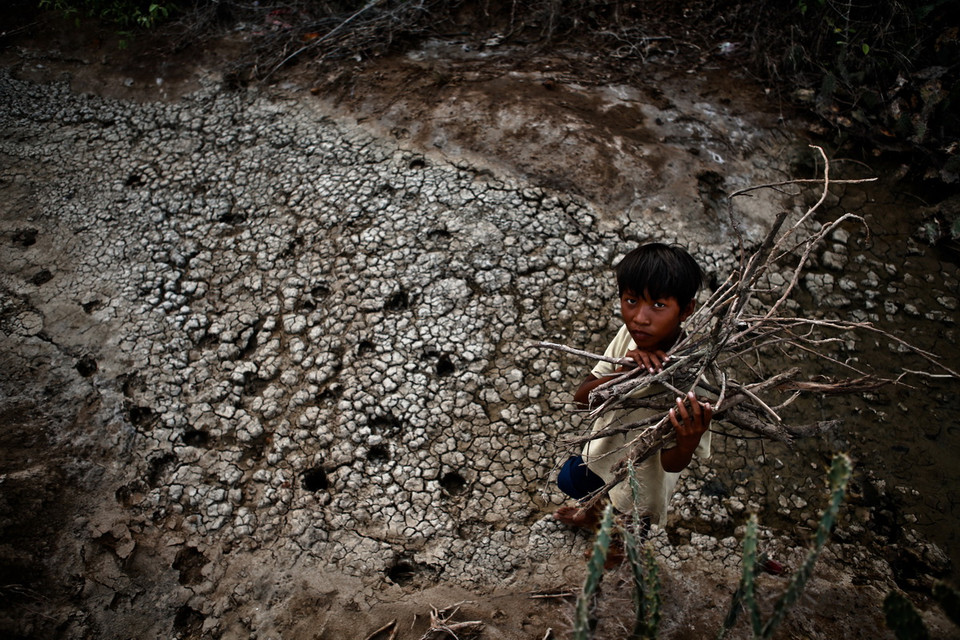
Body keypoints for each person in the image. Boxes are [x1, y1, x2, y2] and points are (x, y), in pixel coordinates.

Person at [555, 243, 713, 543]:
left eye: (658, 305)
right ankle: (594, 514)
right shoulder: (629, 336)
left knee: (624, 538)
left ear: (687, 309)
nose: (640, 317)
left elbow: (672, 464)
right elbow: (582, 398)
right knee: (571, 478)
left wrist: (688, 441)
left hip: (641, 482)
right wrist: (624, 371)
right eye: (631, 301)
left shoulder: (694, 378)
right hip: (605, 454)